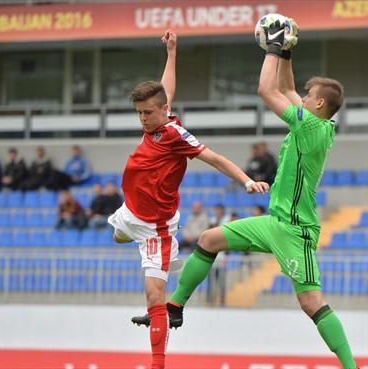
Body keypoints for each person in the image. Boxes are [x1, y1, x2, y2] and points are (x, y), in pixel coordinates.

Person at [138, 19, 359, 369]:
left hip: (295, 230)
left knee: (310, 301)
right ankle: (176, 307)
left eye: (307, 96)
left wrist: (271, 48)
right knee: (210, 239)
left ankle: (351, 366)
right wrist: (285, 51)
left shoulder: (312, 126)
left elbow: (268, 91)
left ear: (318, 104)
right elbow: (286, 88)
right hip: (275, 222)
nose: (300, 98)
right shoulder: (320, 122)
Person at [107, 30, 268, 369]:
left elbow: (216, 159)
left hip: (155, 229)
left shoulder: (177, 136)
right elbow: (168, 89)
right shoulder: (157, 121)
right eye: (139, 113)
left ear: (163, 111)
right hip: (127, 214)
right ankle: (123, 233)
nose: (142, 119)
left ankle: (158, 363)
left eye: (147, 113)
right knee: (117, 233)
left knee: (154, 296)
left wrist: (246, 181)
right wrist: (172, 51)